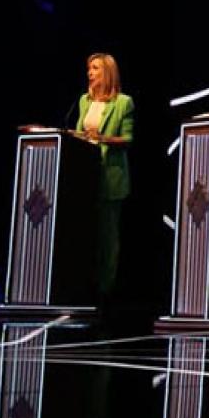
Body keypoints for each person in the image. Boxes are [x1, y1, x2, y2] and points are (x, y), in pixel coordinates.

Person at [76, 53, 134, 299]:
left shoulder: (123, 103)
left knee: (108, 236)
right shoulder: (83, 101)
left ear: (107, 73)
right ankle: (85, 283)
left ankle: (106, 288)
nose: (90, 72)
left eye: (95, 68)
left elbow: (128, 139)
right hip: (87, 177)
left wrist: (103, 139)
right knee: (88, 232)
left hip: (111, 177)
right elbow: (79, 133)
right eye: (89, 68)